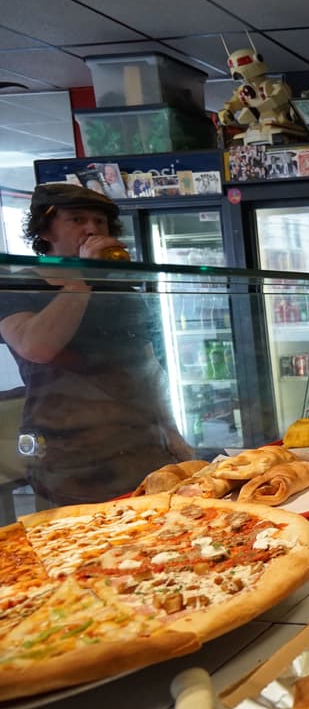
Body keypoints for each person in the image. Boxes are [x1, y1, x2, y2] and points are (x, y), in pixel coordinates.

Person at [0, 183, 195, 506]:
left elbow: (147, 369)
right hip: (69, 458)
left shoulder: (120, 292)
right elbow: (35, 347)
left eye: (100, 222)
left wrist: (172, 433)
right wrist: (85, 278)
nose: (92, 229)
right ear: (45, 229)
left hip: (141, 449)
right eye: (77, 220)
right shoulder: (18, 285)